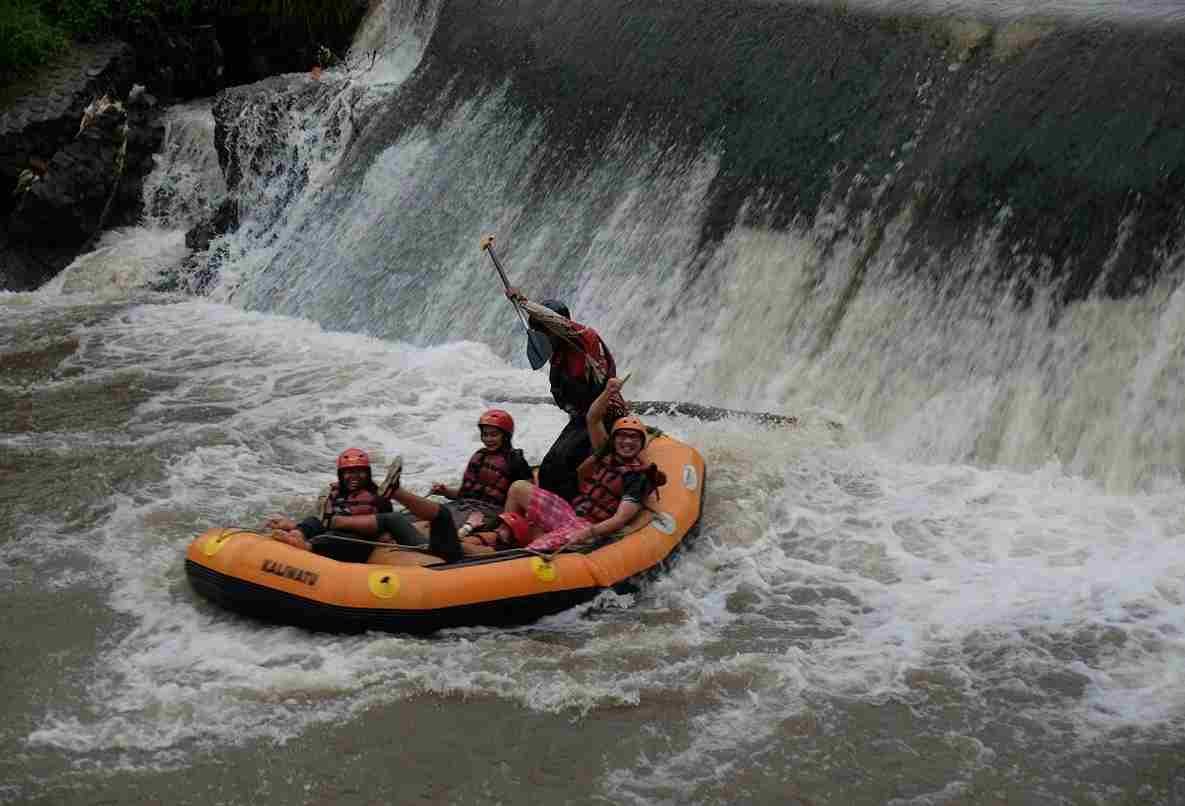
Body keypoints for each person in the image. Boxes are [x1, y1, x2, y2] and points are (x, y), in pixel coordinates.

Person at [333, 409, 535, 559]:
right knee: (411, 516)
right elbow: (465, 493)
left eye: (494, 434)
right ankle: (359, 526)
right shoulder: (479, 457)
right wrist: (447, 492)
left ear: (505, 435)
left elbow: (526, 496)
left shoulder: (515, 461)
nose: (488, 439)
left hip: (487, 513)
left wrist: (505, 524)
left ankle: (391, 530)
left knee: (433, 525)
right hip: (463, 504)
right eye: (485, 434)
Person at [502, 377, 664, 553]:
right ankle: (506, 535)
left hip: (587, 526)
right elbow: (593, 418)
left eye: (633, 438)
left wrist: (589, 532)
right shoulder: (605, 454)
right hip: (570, 512)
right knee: (518, 487)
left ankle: (512, 561)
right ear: (614, 439)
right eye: (622, 436)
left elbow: (619, 519)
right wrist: (608, 391)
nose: (627, 442)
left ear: (641, 444)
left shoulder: (637, 477)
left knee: (535, 549)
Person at [504, 290, 629, 502]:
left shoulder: (584, 340)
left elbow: (559, 323)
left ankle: (576, 508)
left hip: (604, 417)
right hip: (581, 420)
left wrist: (524, 302)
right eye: (537, 329)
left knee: (559, 468)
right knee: (549, 470)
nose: (541, 335)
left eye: (544, 329)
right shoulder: (558, 355)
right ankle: (560, 507)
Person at [264, 447, 425, 563]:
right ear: (341, 475)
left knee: (338, 538)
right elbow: (323, 522)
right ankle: (297, 534)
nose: (354, 477)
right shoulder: (334, 494)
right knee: (314, 521)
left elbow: (386, 523)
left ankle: (307, 546)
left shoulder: (378, 496)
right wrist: (293, 525)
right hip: (333, 530)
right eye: (349, 472)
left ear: (367, 474)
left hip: (360, 542)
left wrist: (386, 537)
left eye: (359, 472)